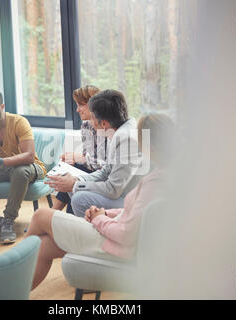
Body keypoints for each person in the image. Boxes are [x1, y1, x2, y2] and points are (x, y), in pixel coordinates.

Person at [26, 113, 173, 290]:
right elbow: (139, 215)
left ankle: (6, 269)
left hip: (115, 246)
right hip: (115, 234)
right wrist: (106, 213)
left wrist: (98, 219)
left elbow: (126, 234)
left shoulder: (156, 182)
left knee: (41, 215)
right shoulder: (168, 174)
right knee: (43, 246)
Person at [45, 89, 141, 217]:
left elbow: (113, 189)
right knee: (73, 188)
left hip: (130, 201)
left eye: (93, 116)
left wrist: (75, 185)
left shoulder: (126, 139)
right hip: (120, 193)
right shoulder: (120, 131)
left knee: (80, 198)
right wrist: (77, 180)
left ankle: (90, 233)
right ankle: (76, 227)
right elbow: (106, 170)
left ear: (104, 123)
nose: (91, 120)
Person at [0, 88, 47, 244]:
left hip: (31, 167)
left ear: (2, 106)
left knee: (20, 172)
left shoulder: (19, 122)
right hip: (2, 168)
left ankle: (8, 221)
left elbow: (29, 156)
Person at [53, 85, 108, 214]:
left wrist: (78, 158)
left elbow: (103, 165)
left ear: (92, 104)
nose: (77, 110)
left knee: (74, 175)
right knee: (70, 170)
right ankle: (55, 215)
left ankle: (56, 215)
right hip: (92, 170)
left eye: (80, 105)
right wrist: (74, 160)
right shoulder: (86, 126)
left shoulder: (106, 127)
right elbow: (88, 156)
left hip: (104, 177)